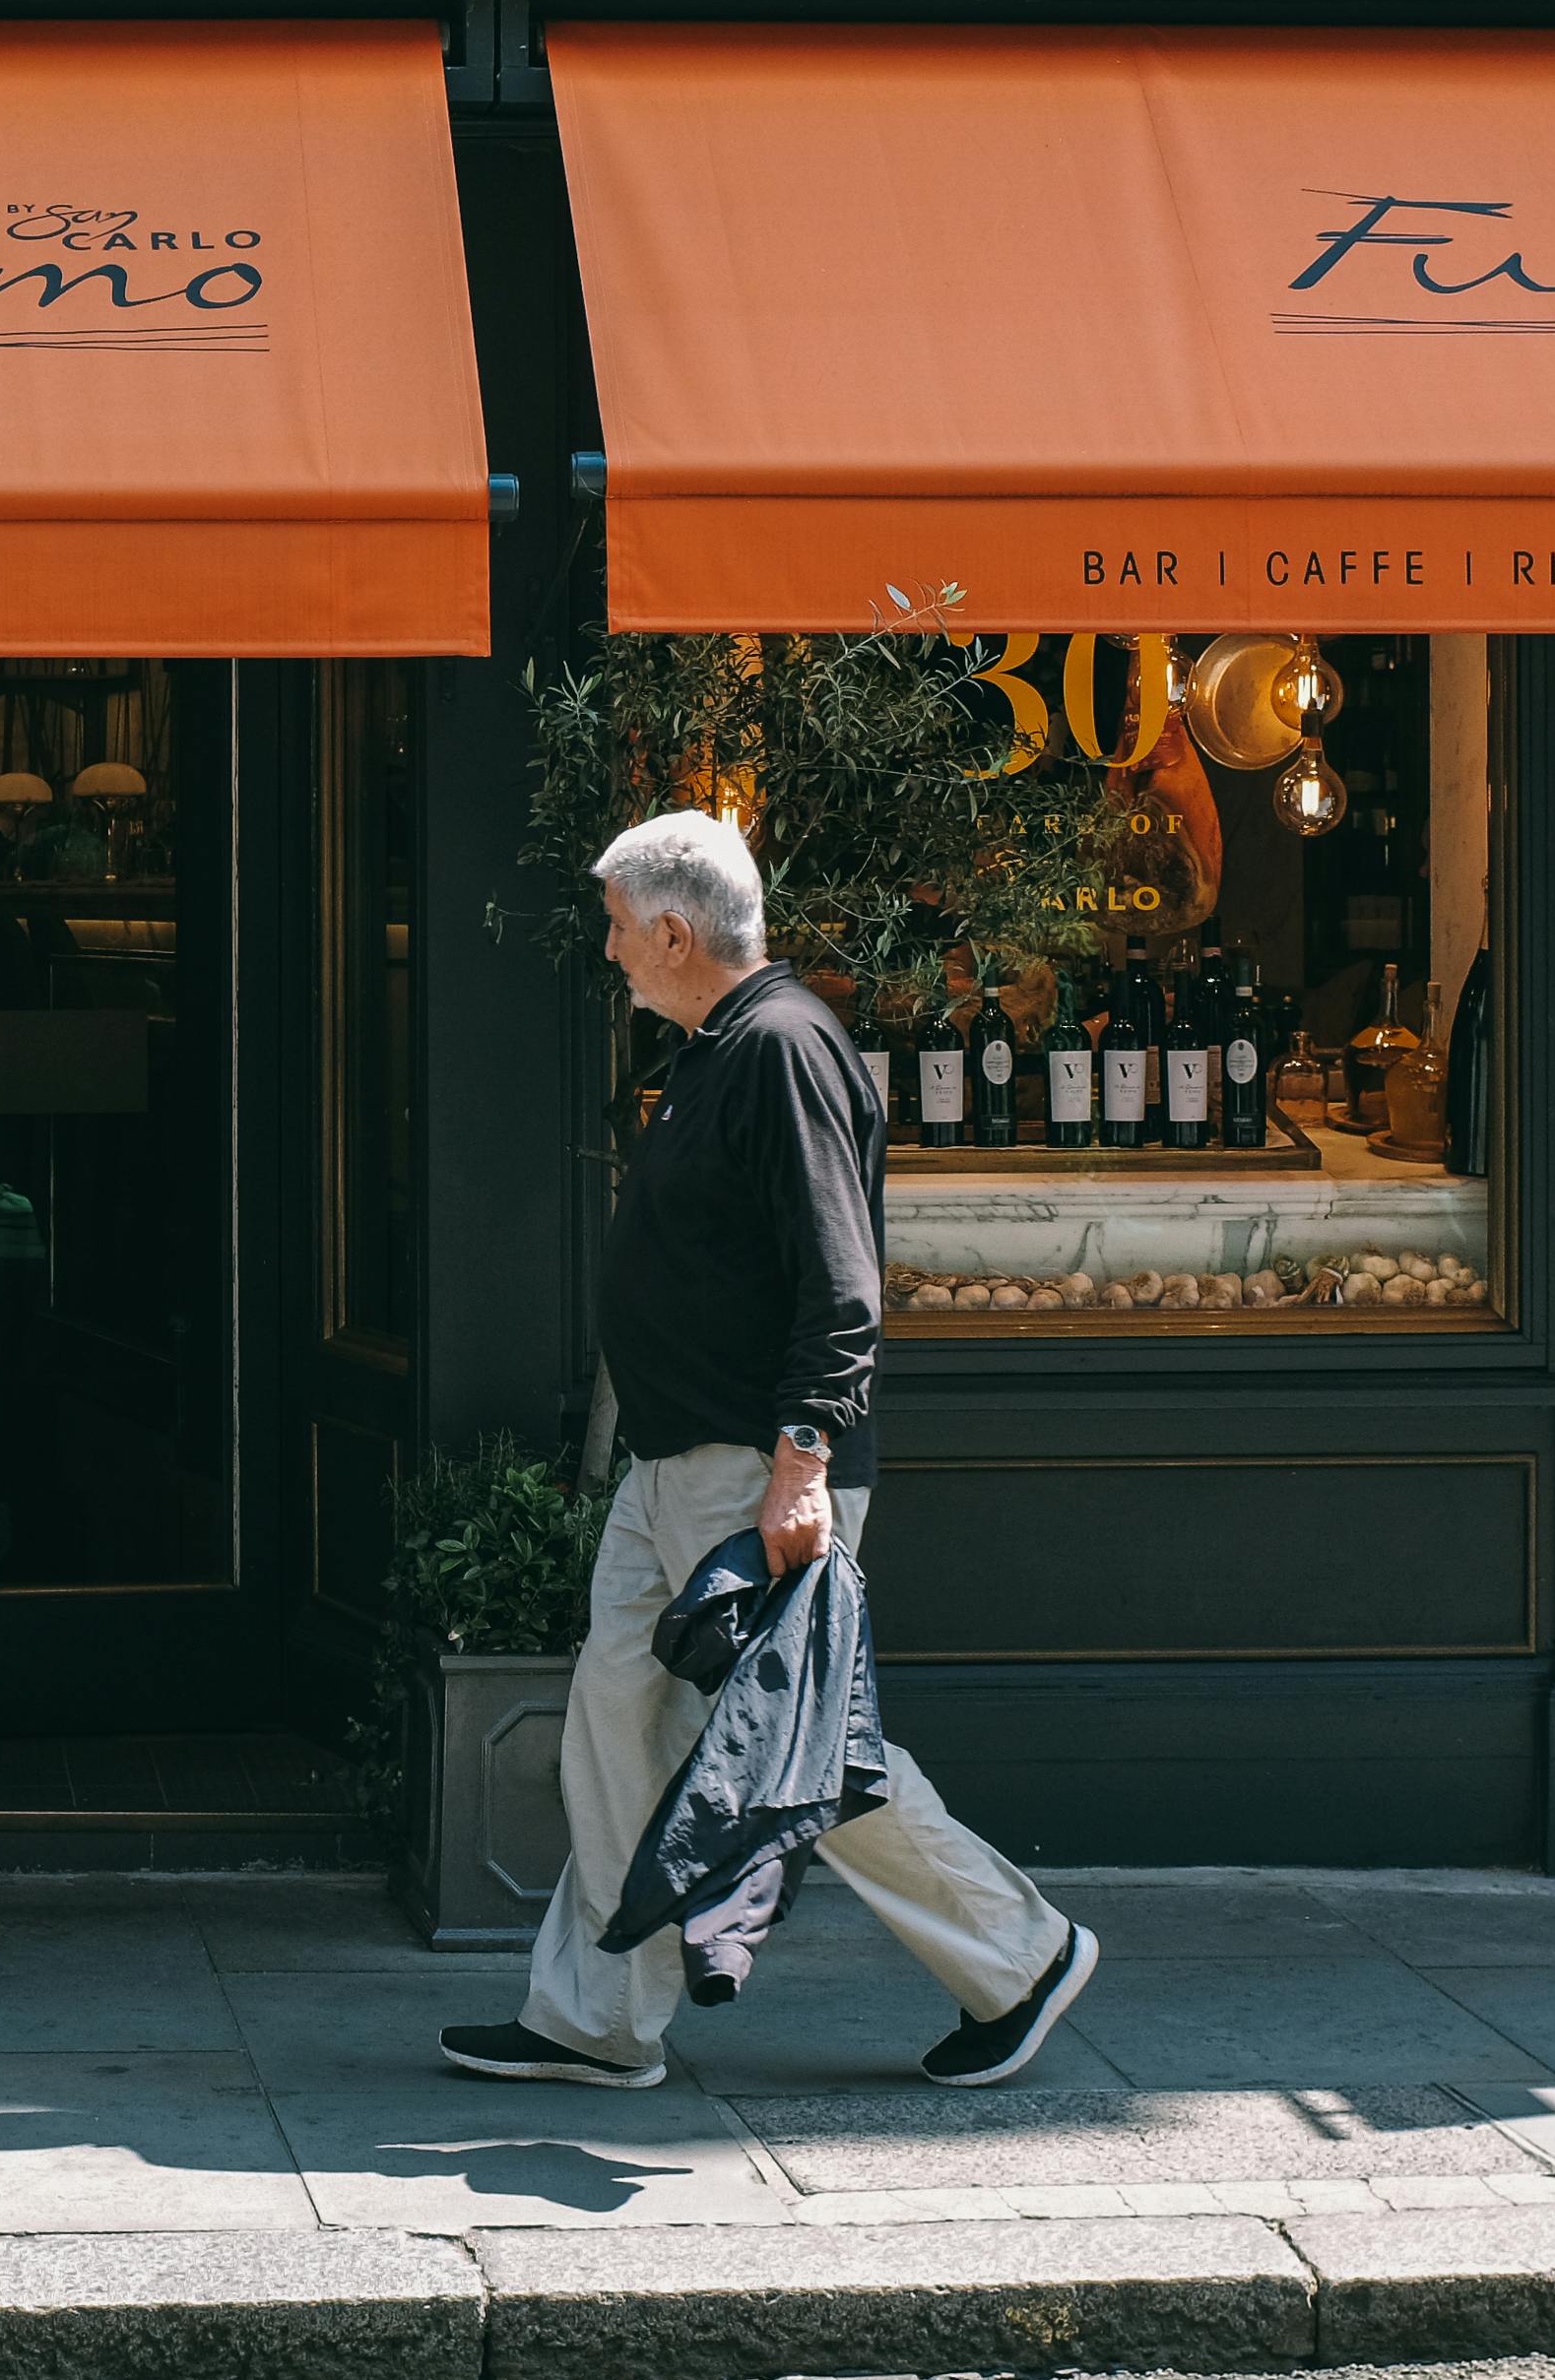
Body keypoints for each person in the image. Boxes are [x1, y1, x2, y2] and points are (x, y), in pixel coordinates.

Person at [442, 808, 1101, 2094]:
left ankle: (1019, 1955)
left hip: (749, 1467)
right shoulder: (720, 1046)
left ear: (675, 929)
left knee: (796, 1752)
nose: (610, 949)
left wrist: (798, 1462)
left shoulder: (780, 1049)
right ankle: (596, 2015)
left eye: (618, 926)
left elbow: (841, 1284)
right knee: (620, 1718)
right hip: (679, 1457)